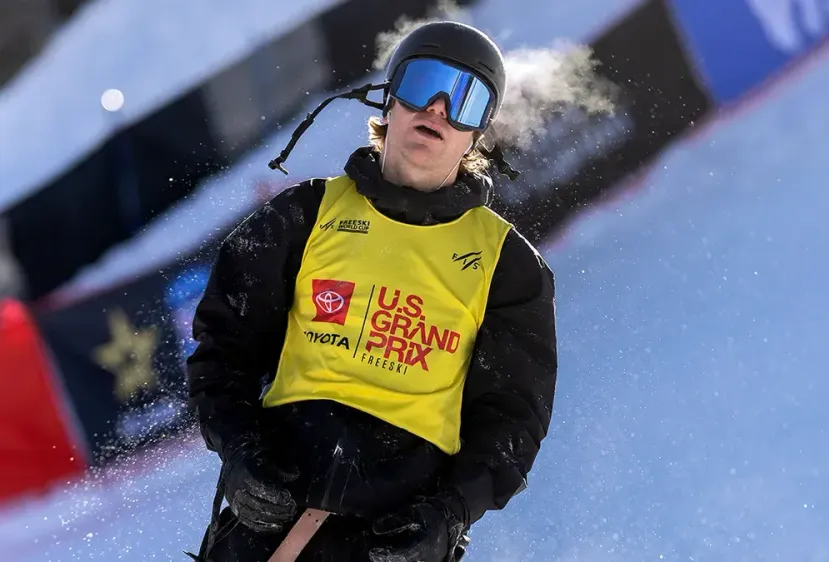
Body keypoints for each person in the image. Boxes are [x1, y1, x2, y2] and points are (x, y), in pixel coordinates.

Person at [185, 20, 558, 562]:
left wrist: (450, 514)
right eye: (422, 83)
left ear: (478, 131)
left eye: (464, 99)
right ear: (389, 99)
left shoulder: (508, 266)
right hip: (269, 529)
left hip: (396, 540)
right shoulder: (301, 217)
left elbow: (512, 420)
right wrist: (241, 451)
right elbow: (223, 353)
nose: (436, 109)